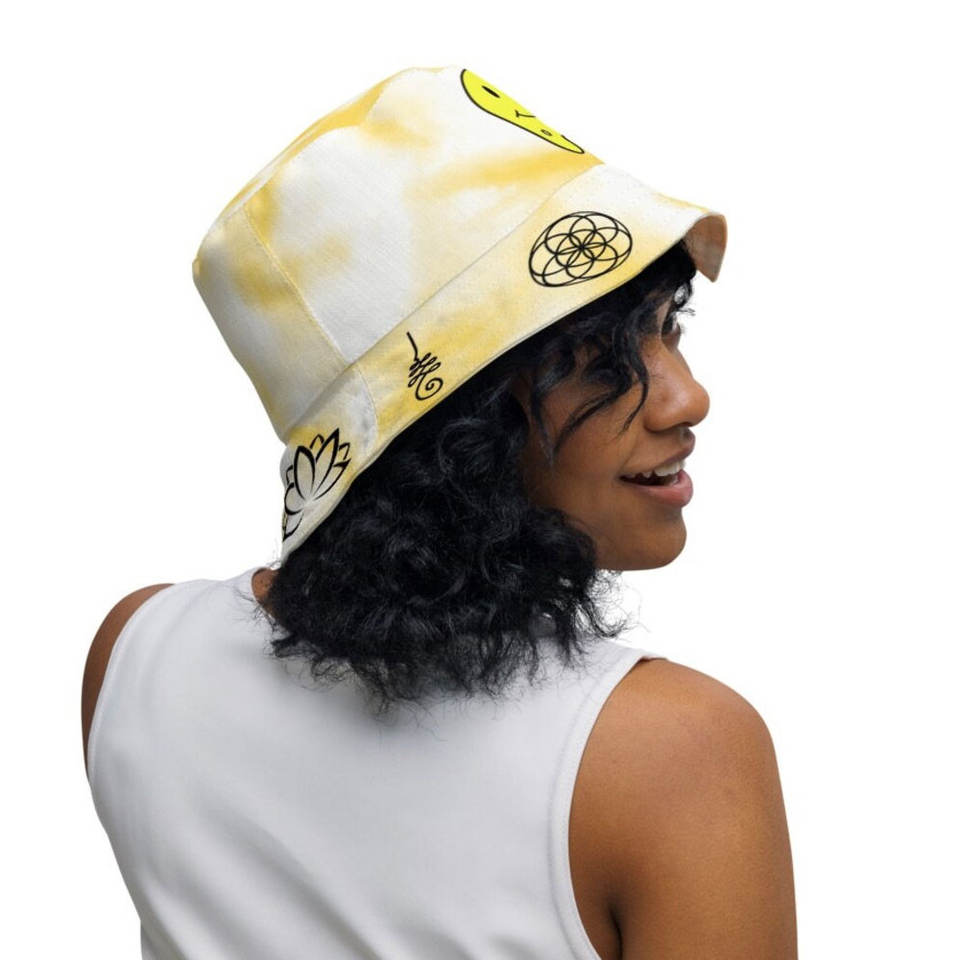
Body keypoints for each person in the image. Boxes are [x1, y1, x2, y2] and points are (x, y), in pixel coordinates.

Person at [82, 65, 797, 958]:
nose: (688, 398)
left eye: (669, 329)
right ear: (456, 425)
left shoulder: (137, 651)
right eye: (597, 359)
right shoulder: (674, 754)